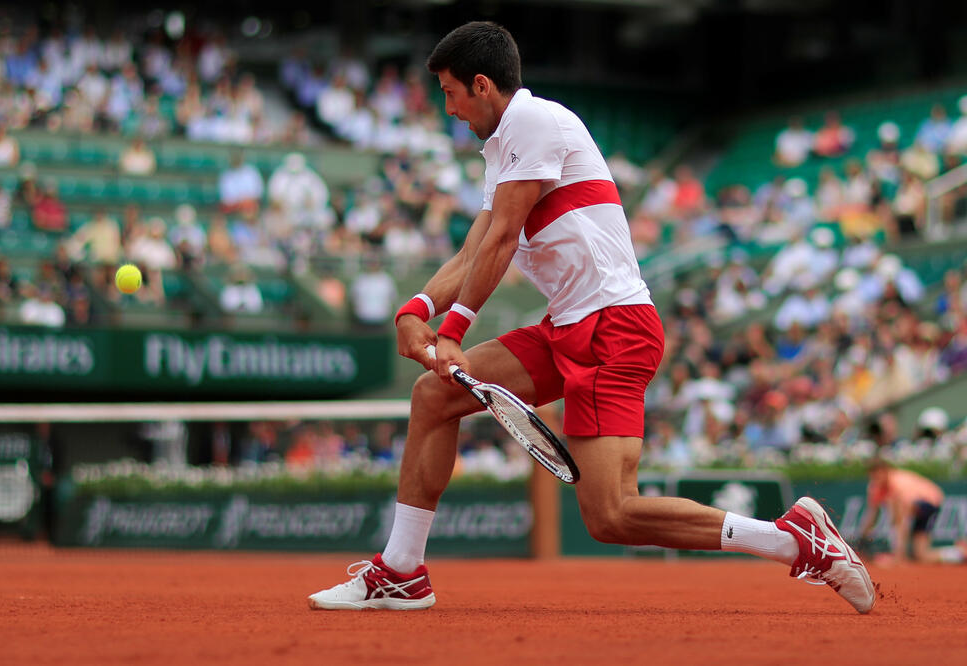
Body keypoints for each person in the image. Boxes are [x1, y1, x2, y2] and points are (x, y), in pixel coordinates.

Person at [308, 21, 875, 614]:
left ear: (482, 85)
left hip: (613, 331)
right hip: (568, 327)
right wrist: (418, 308)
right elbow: (475, 246)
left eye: (450, 93)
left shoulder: (534, 122)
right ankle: (401, 571)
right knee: (434, 396)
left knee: (611, 515)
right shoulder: (501, 149)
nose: (448, 109)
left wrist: (452, 332)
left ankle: (793, 541)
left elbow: (502, 239)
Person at [856, 458, 966, 565]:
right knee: (922, 556)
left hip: (929, 503)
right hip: (916, 504)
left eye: (879, 474)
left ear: (886, 471)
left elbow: (902, 520)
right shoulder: (875, 486)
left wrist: (899, 555)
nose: (876, 478)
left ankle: (899, 555)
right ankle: (960, 553)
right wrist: (862, 538)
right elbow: (871, 515)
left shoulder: (900, 483)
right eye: (873, 475)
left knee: (897, 516)